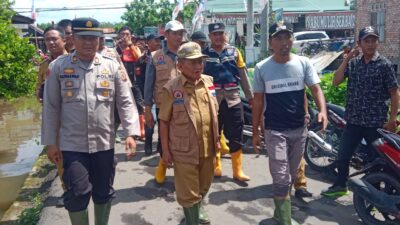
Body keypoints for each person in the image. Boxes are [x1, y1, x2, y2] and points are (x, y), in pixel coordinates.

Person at [41, 18, 140, 225]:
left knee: (104, 192)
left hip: (104, 143)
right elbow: (51, 107)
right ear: (72, 39)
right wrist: (50, 143)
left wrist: (131, 133)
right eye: (83, 38)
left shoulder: (111, 67)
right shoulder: (58, 67)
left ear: (100, 40)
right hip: (72, 144)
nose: (88, 43)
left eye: (93, 38)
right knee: (78, 193)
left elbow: (125, 101)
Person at [252, 21, 327, 225]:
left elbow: (315, 89)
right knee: (282, 178)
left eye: (287, 37)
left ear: (292, 40)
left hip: (298, 129)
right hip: (275, 130)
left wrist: (322, 111)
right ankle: (285, 219)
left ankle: (278, 212)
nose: (284, 42)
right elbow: (257, 101)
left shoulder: (303, 63)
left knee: (292, 176)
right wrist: (257, 131)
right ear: (270, 43)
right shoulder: (262, 68)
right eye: (278, 38)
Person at [321, 26, 399, 197]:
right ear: (359, 44)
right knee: (342, 157)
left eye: (374, 40)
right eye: (367, 41)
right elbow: (336, 81)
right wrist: (347, 58)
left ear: (378, 42)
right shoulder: (354, 63)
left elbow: (394, 93)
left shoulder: (384, 65)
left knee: (376, 161)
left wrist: (392, 119)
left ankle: (376, 194)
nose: (371, 44)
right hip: (354, 121)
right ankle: (340, 185)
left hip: (375, 123)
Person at [159, 42, 219, 225]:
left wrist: (217, 140)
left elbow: (214, 113)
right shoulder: (171, 88)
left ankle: (196, 211)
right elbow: (164, 121)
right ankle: (192, 219)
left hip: (208, 146)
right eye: (192, 62)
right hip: (183, 149)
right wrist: (166, 151)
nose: (198, 66)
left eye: (200, 62)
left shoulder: (208, 82)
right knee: (188, 192)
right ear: (180, 65)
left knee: (204, 185)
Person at [202, 22, 253, 181]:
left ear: (225, 35)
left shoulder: (234, 52)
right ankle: (216, 165)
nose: (218, 37)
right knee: (213, 133)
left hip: (233, 99)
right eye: (215, 34)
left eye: (221, 33)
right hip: (212, 100)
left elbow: (243, 76)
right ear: (210, 37)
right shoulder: (204, 54)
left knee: (237, 132)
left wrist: (250, 97)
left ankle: (237, 171)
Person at [144, 20, 185, 184]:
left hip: (186, 105)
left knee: (184, 139)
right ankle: (162, 165)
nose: (178, 37)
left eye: (180, 33)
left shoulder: (188, 54)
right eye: (174, 33)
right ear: (166, 35)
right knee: (164, 139)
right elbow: (148, 85)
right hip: (163, 106)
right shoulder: (155, 57)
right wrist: (147, 109)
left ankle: (182, 171)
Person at [137, 33, 164, 155]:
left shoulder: (165, 57)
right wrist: (143, 98)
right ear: (148, 42)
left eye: (159, 41)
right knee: (149, 123)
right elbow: (140, 80)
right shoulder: (142, 59)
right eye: (155, 41)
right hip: (148, 97)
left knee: (162, 123)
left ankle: (160, 145)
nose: (158, 43)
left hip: (161, 96)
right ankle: (148, 144)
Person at [116, 26, 145, 139]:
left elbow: (138, 58)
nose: (125, 36)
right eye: (122, 34)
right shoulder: (115, 49)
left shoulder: (134, 48)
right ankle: (116, 131)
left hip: (134, 83)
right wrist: (118, 47)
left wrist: (130, 45)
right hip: (119, 84)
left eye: (127, 34)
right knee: (117, 108)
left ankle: (141, 131)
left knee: (139, 106)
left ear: (131, 36)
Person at [36, 27, 67, 103]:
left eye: (54, 39)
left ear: (64, 41)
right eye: (47, 40)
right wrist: (39, 96)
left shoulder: (73, 61)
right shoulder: (44, 65)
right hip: (49, 107)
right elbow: (38, 86)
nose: (51, 42)